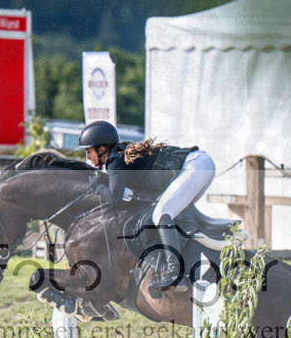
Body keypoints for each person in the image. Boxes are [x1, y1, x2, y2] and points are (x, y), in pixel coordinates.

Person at [78, 120, 216, 291]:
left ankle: (175, 273)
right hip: (201, 165)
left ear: (101, 148)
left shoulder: (115, 161)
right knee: (171, 214)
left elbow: (114, 197)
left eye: (89, 151)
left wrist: (96, 185)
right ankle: (189, 266)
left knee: (162, 214)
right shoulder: (119, 157)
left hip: (195, 166)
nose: (88, 158)